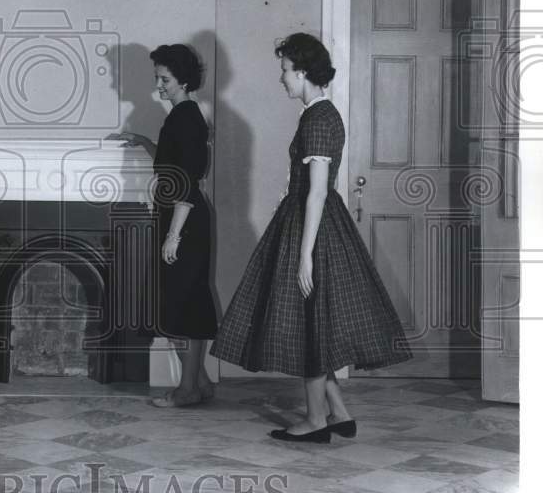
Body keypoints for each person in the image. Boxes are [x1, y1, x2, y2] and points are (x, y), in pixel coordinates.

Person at [211, 33, 412, 442]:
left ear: (302, 72)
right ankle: (337, 412)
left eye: (285, 70)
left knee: (309, 323)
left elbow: (318, 191)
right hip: (307, 222)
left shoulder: (319, 118)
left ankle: (315, 420)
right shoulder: (317, 115)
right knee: (312, 320)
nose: (281, 79)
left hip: (314, 227)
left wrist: (305, 256)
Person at [110, 43, 217, 407]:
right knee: (184, 302)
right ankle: (199, 384)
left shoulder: (186, 116)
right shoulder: (181, 115)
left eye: (165, 78)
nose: (159, 84)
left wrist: (173, 235)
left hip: (183, 219)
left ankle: (187, 389)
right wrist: (144, 143)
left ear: (184, 80)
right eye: (157, 76)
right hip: (178, 216)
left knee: (182, 305)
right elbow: (173, 163)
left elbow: (186, 177)